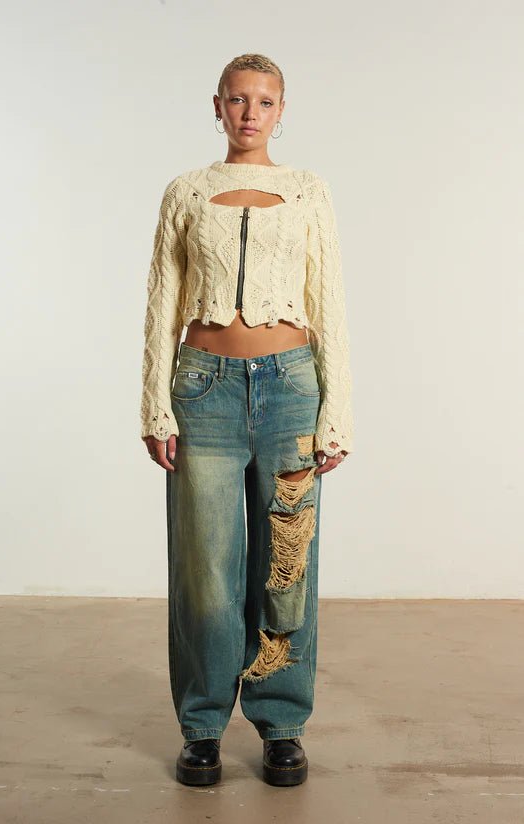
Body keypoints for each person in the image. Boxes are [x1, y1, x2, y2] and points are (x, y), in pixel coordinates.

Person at [140, 53, 354, 787]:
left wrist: (337, 410)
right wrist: (155, 401)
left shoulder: (308, 191)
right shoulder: (186, 192)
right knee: (205, 571)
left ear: (281, 110)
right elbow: (162, 301)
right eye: (237, 100)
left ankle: (281, 723)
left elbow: (329, 299)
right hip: (204, 390)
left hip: (292, 390)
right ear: (218, 106)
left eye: (264, 101)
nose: (249, 113)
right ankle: (202, 726)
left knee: (286, 564)